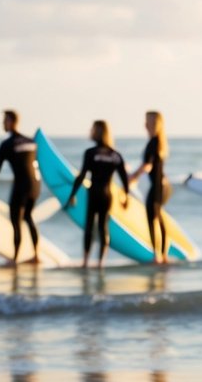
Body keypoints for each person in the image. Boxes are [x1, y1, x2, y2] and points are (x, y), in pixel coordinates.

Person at [0, 110, 42, 265]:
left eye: (4, 121)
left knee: (16, 221)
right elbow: (38, 164)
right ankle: (36, 256)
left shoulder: (7, 145)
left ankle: (14, 259)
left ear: (12, 122)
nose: (2, 124)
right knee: (28, 217)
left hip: (21, 186)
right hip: (35, 186)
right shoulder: (32, 142)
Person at [67, 120, 130, 270]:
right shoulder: (115, 155)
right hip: (107, 195)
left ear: (99, 132)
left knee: (89, 226)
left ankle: (86, 262)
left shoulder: (91, 153)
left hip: (94, 193)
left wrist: (72, 194)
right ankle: (101, 263)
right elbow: (124, 178)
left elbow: (82, 176)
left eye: (93, 129)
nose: (91, 132)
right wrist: (126, 196)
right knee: (103, 227)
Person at [130, 110, 170, 264]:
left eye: (148, 121)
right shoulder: (159, 141)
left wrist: (132, 177)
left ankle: (158, 256)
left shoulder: (154, 141)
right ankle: (162, 255)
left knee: (152, 218)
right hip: (163, 185)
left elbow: (147, 165)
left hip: (158, 186)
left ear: (154, 124)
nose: (145, 124)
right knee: (158, 217)